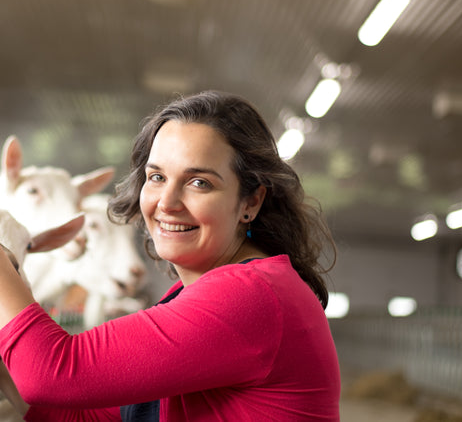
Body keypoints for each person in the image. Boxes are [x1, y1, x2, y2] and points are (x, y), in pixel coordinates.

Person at [0, 90, 341, 421]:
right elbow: (82, 416)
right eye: (157, 177)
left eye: (199, 183)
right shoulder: (193, 297)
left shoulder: (251, 294)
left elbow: (53, 374)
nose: (167, 202)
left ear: (251, 201)